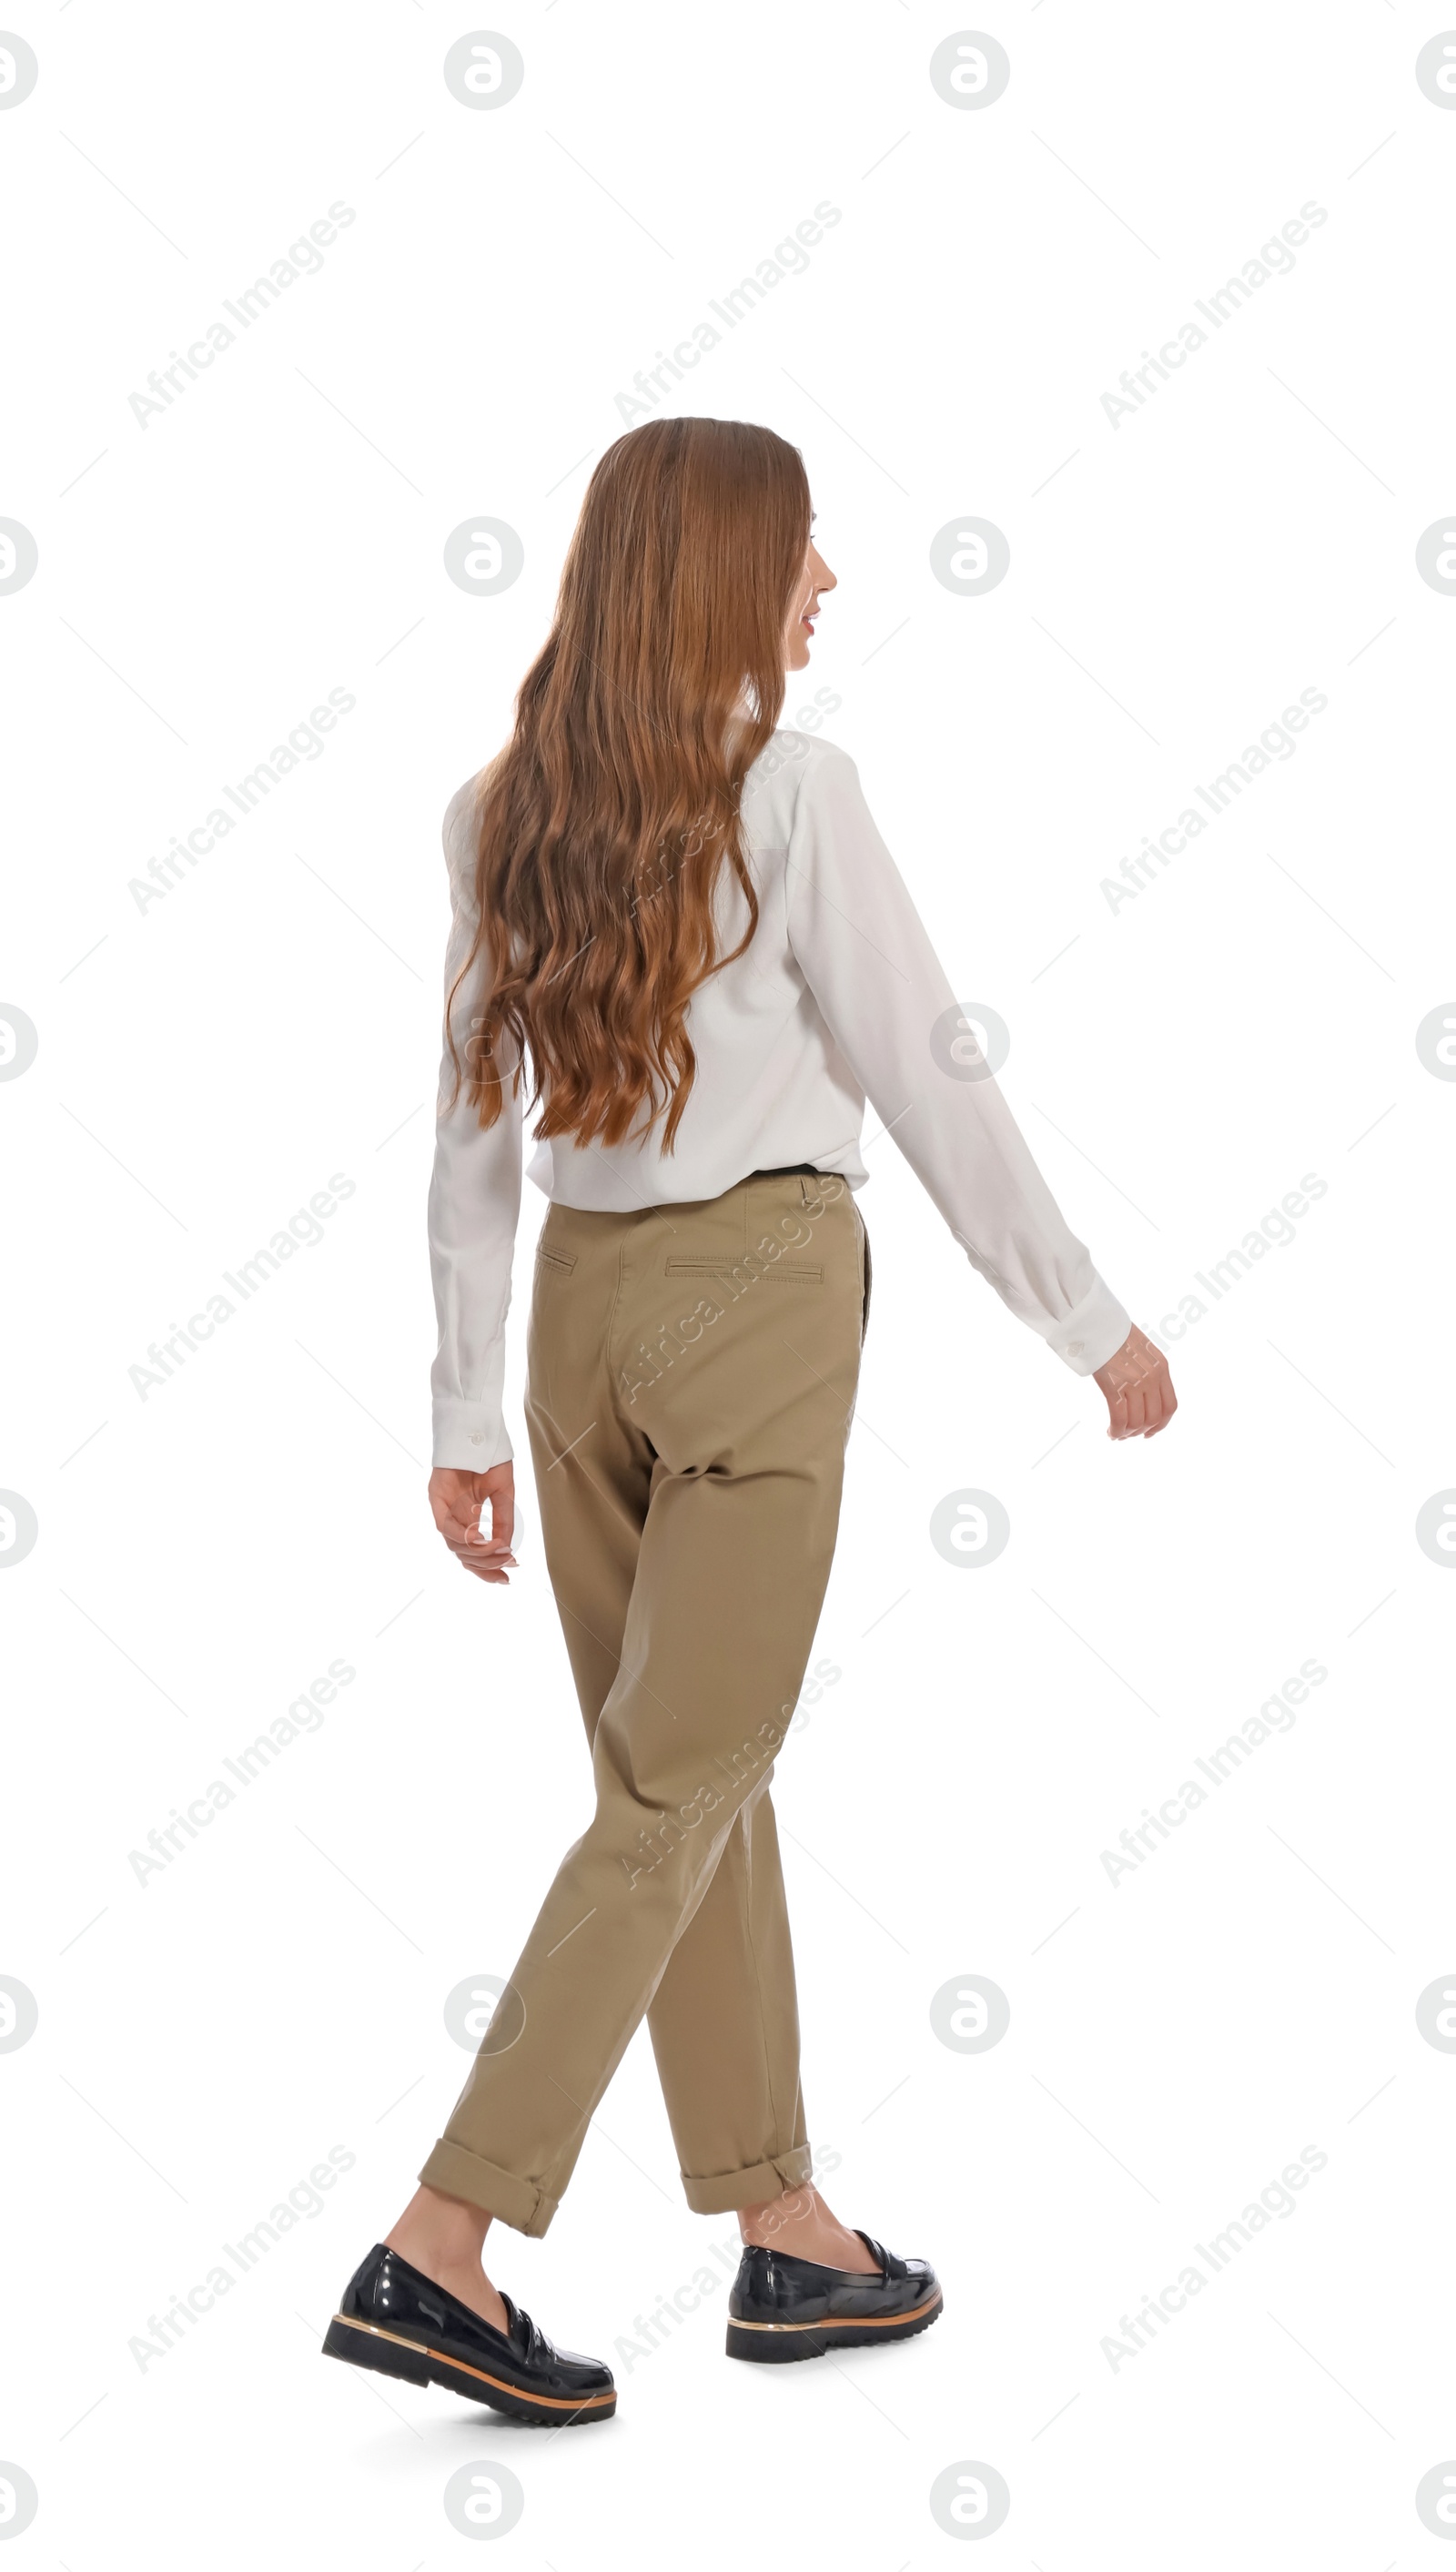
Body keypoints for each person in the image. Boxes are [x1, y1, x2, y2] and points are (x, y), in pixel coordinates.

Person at [323, 417, 1177, 2427]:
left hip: (574, 1327)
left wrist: (458, 1409)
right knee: (673, 1786)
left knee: (687, 1777)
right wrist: (1084, 1317)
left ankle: (781, 2231)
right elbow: (929, 1070)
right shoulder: (793, 793)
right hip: (755, 1299)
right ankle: (443, 2243)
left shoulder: (495, 810)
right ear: (719, 571)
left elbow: (462, 1138)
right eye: (801, 548)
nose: (825, 583)